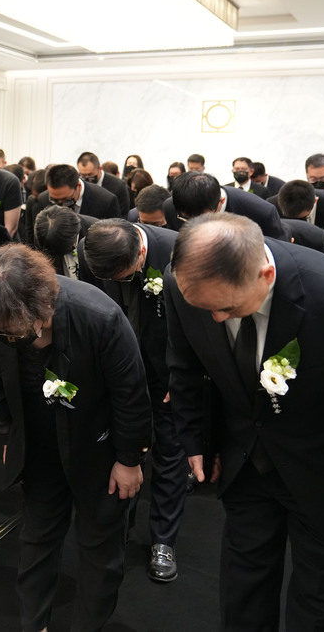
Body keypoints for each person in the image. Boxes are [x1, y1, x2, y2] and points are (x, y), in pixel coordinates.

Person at [165, 213, 324, 631]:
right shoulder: (183, 285)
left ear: (265, 275)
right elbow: (185, 366)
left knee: (322, 600)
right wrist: (195, 440)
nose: (217, 320)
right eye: (204, 308)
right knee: (243, 587)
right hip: (244, 462)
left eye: (228, 307)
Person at [0, 244, 150, 632]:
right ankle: (34, 624)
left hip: (99, 446)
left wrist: (129, 459)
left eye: (17, 330)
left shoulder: (99, 317)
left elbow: (131, 395)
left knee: (100, 544)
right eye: (2, 332)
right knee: (38, 534)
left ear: (42, 307)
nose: (10, 337)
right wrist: (8, 435)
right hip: (38, 444)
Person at [79, 219, 189, 583]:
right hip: (117, 368)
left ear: (141, 253)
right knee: (118, 448)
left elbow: (197, 321)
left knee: (169, 451)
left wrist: (183, 378)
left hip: (166, 368)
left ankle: (164, 540)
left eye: (125, 276)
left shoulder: (179, 251)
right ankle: (119, 526)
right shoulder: (88, 251)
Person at [165, 172, 285, 239]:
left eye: (204, 218)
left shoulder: (261, 212)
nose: (197, 225)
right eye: (187, 218)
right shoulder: (171, 207)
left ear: (221, 201)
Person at [39, 164, 121, 220]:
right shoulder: (43, 199)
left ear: (78, 185)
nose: (60, 204)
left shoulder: (105, 201)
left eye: (65, 199)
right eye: (54, 200)